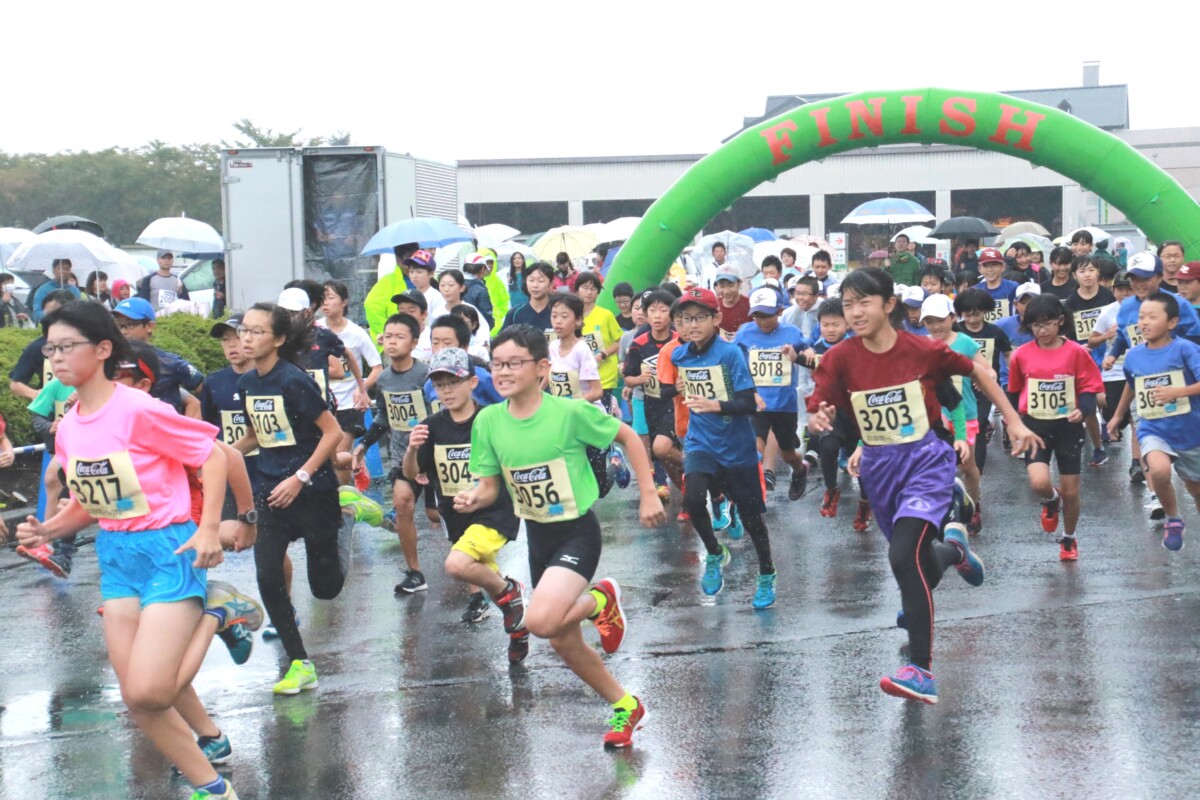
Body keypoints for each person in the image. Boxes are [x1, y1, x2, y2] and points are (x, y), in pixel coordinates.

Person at [14, 301, 259, 800]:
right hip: (117, 556)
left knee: (152, 689)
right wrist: (49, 530)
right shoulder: (69, 428)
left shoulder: (139, 409)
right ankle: (213, 789)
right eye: (49, 349)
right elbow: (96, 503)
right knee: (137, 700)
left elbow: (214, 456)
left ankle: (216, 611)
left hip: (166, 547)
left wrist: (211, 526)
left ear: (104, 349)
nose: (55, 358)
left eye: (66, 346)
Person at [807, 267, 1038, 704]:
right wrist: (820, 418)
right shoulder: (840, 358)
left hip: (926, 461)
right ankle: (955, 550)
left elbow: (980, 372)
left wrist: (1013, 420)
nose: (855, 313)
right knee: (917, 565)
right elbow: (822, 406)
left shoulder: (922, 349)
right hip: (879, 466)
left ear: (889, 305)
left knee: (902, 556)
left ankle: (921, 670)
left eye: (864, 303)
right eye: (848, 303)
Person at [458, 323, 665, 748]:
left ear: (541, 368)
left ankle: (602, 597)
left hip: (576, 532)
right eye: (497, 364)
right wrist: (473, 499)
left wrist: (648, 493)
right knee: (562, 641)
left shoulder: (569, 412)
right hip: (539, 536)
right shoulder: (488, 421)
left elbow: (627, 437)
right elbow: (491, 486)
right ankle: (626, 705)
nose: (503, 372)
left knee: (540, 622)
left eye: (514, 363)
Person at [230, 303, 356, 696]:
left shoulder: (293, 380)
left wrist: (300, 478)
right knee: (268, 576)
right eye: (243, 331)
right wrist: (220, 454)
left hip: (313, 491)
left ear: (279, 339)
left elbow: (332, 432)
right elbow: (258, 435)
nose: (245, 339)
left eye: (256, 332)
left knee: (326, 589)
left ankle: (348, 515)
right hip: (270, 490)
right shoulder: (248, 384)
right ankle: (300, 663)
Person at [403, 347, 529, 661]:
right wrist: (410, 450)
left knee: (457, 565)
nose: (446, 391)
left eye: (453, 383)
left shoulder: (490, 419)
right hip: (456, 516)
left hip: (493, 511)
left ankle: (510, 593)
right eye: (440, 385)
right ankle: (517, 626)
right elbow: (413, 472)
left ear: (472, 383)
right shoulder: (431, 425)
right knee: (485, 576)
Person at [669, 287, 778, 607]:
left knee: (752, 519)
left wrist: (716, 405)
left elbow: (748, 402)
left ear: (716, 319)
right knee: (691, 498)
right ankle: (715, 553)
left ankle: (767, 573)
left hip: (738, 446)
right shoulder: (680, 355)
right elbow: (682, 387)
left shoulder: (730, 354)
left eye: (699, 318)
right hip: (701, 441)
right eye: (684, 319)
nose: (691, 325)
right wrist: (679, 387)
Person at [1008, 294, 1104, 561]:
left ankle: (1069, 538)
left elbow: (1089, 387)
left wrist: (1083, 410)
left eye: (1048, 323)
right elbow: (1014, 392)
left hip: (1067, 426)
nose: (1042, 330)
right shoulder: (1021, 355)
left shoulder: (1076, 352)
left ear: (1060, 321)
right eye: (1035, 326)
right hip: (1034, 426)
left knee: (1072, 491)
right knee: (1039, 483)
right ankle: (1051, 500)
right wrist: (1012, 423)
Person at [1108, 291, 1200, 551]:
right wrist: (1117, 415)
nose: (1144, 323)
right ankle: (1173, 518)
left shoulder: (1186, 349)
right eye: (1141, 317)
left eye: (1152, 317)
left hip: (1190, 429)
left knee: (1196, 490)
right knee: (1158, 470)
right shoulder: (1135, 354)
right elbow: (1132, 384)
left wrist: (1177, 392)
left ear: (1171, 322)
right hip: (1153, 425)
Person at [354, 313, 434, 595]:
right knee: (402, 505)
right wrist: (364, 444)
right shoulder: (384, 380)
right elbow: (384, 418)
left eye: (399, 337)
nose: (392, 342)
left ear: (414, 343)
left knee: (438, 515)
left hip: (434, 458)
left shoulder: (426, 374)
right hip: (404, 458)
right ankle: (414, 572)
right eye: (387, 336)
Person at [734, 286, 812, 502]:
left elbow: (809, 352)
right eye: (757, 315)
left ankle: (799, 469)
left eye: (766, 315)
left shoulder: (791, 332)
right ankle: (754, 492)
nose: (761, 321)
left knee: (787, 454)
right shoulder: (745, 333)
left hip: (784, 404)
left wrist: (799, 355)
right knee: (754, 446)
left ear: (779, 311)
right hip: (756, 400)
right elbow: (733, 360)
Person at [799, 298, 872, 528]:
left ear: (847, 324)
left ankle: (865, 503)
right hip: (832, 412)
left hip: (859, 414)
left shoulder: (859, 345)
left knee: (863, 464)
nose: (830, 330)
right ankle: (831, 490)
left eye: (836, 324)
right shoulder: (818, 347)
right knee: (827, 448)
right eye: (826, 324)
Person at [920, 294, 987, 532]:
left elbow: (986, 370)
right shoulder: (922, 346)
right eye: (929, 321)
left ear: (952, 317)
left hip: (965, 413)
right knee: (938, 466)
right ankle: (944, 510)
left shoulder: (966, 343)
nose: (936, 326)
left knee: (967, 465)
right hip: (934, 417)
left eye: (940, 319)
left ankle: (974, 504)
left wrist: (981, 377)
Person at [318, 280, 383, 485]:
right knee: (324, 454)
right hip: (320, 403)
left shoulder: (356, 333)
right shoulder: (315, 329)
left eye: (330, 298)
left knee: (338, 454)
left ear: (344, 302)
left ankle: (344, 500)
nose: (325, 303)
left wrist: (361, 388)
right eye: (322, 299)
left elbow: (377, 367)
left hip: (348, 403)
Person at [623, 290, 685, 499]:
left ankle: (696, 469)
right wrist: (639, 379)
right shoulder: (639, 344)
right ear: (646, 315)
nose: (657, 316)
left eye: (663, 310)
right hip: (651, 402)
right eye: (652, 311)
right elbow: (628, 378)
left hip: (676, 403)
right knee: (661, 455)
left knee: (661, 447)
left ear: (672, 314)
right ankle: (684, 492)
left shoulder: (680, 340)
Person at [1063, 257, 1117, 466]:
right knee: (1089, 402)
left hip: (1110, 353)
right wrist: (1078, 347)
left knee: (1107, 399)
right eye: (1082, 271)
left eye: (1091, 270)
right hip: (1083, 354)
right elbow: (1066, 333)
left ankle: (1111, 421)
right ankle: (1098, 447)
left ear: (1097, 273)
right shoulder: (1071, 302)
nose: (1087, 275)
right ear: (1075, 275)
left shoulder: (1108, 296)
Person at [954, 288, 1013, 476]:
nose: (972, 319)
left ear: (985, 312)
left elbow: (1007, 353)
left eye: (977, 314)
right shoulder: (956, 331)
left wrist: (1009, 374)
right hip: (957, 388)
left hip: (983, 389)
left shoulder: (995, 332)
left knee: (977, 426)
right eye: (968, 314)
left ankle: (976, 473)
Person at [112, 297, 204, 417]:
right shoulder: (109, 362)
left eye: (129, 325)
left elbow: (204, 389)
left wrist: (190, 430)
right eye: (119, 326)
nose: (123, 331)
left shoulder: (169, 363)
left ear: (149, 326)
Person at [1089, 271, 1135, 448]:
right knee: (1115, 415)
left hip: (1138, 370)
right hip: (1114, 371)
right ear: (1113, 291)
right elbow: (1091, 341)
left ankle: (1137, 461)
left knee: (1135, 417)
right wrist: (1106, 335)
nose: (1124, 294)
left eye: (1128, 289)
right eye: (1120, 289)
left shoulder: (1145, 308)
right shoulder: (1107, 312)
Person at [9, 290, 74, 401]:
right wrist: (37, 394)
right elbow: (16, 384)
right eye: (47, 314)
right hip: (49, 413)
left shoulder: (89, 342)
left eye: (56, 314)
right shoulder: (37, 346)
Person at [574, 272, 623, 411]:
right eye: (585, 287)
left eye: (593, 289)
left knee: (602, 415)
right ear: (577, 289)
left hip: (604, 375)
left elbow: (619, 341)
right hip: (580, 377)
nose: (589, 292)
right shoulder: (572, 315)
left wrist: (603, 354)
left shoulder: (605, 315)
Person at [364, 242, 419, 344]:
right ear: (398, 259)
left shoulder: (430, 279)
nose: (412, 264)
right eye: (408, 259)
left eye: (415, 258)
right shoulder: (387, 282)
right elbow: (372, 308)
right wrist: (390, 335)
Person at [437, 269, 492, 353]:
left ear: (462, 287)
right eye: (442, 285)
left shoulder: (470, 309)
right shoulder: (437, 311)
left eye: (451, 285)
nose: (446, 289)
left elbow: (483, 332)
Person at [501, 261, 555, 334]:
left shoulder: (558, 313)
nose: (535, 285)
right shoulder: (514, 314)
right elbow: (502, 341)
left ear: (551, 284)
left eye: (541, 281)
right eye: (531, 280)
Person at [976, 247, 1020, 322]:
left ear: (1003, 267)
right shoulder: (975, 291)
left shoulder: (1014, 287)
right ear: (980, 269)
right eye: (985, 265)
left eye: (994, 265)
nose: (990, 269)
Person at [712, 269, 751, 342]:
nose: (726, 291)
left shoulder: (750, 305)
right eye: (722, 286)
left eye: (730, 285)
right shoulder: (713, 307)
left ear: (739, 283)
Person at [462, 255, 497, 330]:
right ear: (482, 269)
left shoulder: (457, 285)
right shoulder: (480, 290)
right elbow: (486, 317)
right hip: (477, 331)